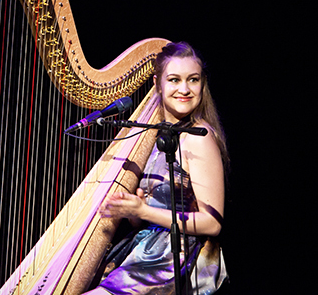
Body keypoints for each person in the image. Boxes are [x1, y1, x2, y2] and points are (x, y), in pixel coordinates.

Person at [84, 41, 229, 295]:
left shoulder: (198, 137)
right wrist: (134, 212)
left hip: (177, 256)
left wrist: (144, 211)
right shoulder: (154, 135)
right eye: (174, 80)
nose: (184, 89)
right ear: (157, 84)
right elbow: (150, 213)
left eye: (193, 80)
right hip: (147, 248)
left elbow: (212, 223)